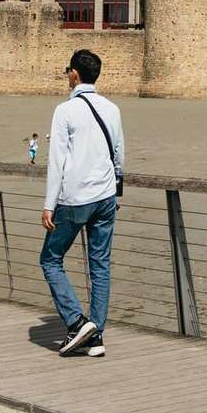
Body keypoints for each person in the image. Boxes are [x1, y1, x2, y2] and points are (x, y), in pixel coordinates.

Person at [40, 49, 124, 358]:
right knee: (100, 265)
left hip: (75, 198)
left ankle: (77, 322)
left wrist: (49, 204)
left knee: (50, 259)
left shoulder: (65, 110)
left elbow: (57, 161)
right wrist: (117, 193)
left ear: (74, 74)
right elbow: (119, 155)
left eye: (67, 71)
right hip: (104, 197)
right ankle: (96, 335)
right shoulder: (112, 109)